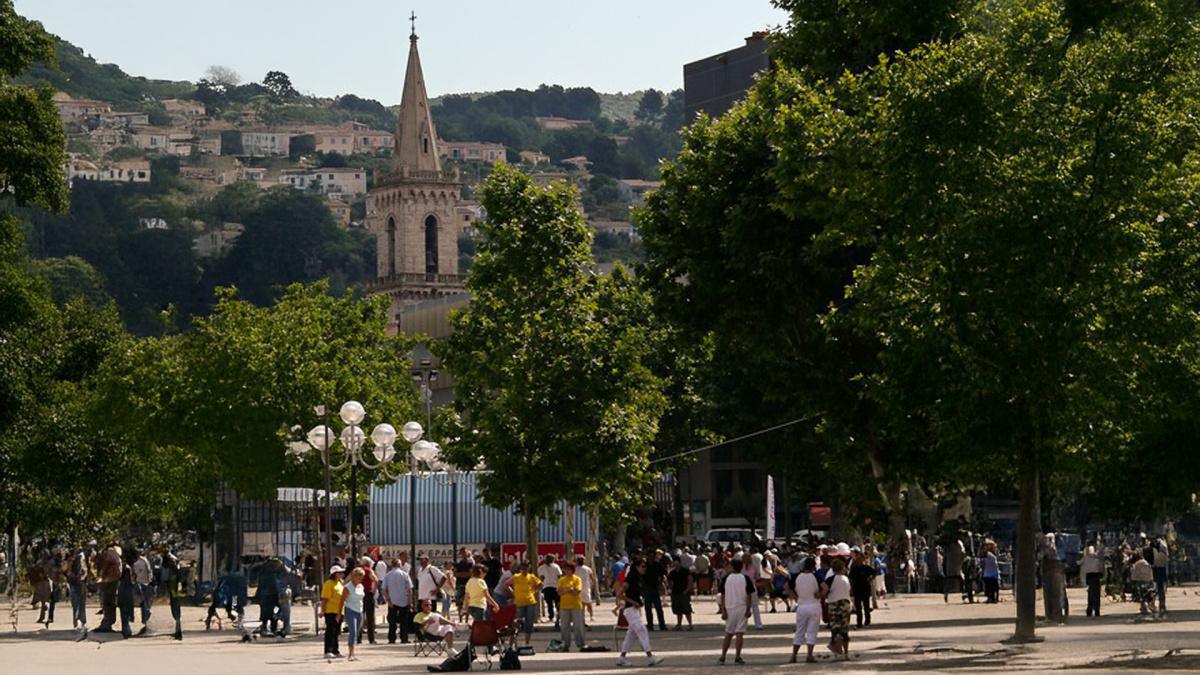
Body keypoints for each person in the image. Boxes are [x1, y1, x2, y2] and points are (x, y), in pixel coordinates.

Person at [616, 556, 664, 667]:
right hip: (630, 609)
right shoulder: (631, 578)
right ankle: (650, 656)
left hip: (634, 610)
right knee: (642, 630)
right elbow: (619, 594)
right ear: (636, 567)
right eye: (642, 566)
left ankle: (622, 658)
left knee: (631, 635)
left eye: (645, 566)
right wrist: (633, 602)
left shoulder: (638, 578)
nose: (645, 568)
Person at [790, 557, 825, 664]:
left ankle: (794, 655)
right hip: (814, 604)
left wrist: (795, 597)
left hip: (802, 605)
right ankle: (809, 655)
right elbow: (825, 587)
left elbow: (787, 587)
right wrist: (820, 595)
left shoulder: (797, 577)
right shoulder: (816, 576)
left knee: (799, 631)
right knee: (812, 631)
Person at [718, 557, 753, 665]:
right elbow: (748, 595)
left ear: (732, 566)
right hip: (742, 607)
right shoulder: (745, 578)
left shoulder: (726, 578)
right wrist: (748, 608)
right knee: (739, 633)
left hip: (729, 607)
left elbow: (722, 595)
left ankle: (723, 655)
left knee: (728, 633)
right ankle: (737, 656)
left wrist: (723, 610)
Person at [506, 561, 542, 645]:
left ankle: (527, 643)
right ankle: (511, 641)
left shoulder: (531, 577)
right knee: (515, 622)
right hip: (519, 602)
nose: (524, 570)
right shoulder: (516, 577)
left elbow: (540, 584)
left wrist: (535, 590)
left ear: (528, 568)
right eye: (522, 569)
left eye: (526, 568)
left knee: (529, 622)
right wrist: (513, 593)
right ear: (520, 569)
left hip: (530, 602)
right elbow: (506, 584)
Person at [92, 542, 122, 634]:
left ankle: (106, 624)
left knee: (107, 602)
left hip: (108, 580)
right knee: (111, 602)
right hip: (114, 579)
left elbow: (104, 567)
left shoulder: (108, 554)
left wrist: (101, 576)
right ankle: (108, 623)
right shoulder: (116, 553)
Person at [382, 558, 414, 644]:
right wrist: (410, 602)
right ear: (399, 565)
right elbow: (409, 590)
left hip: (392, 601)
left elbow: (383, 590)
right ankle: (404, 638)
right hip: (404, 600)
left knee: (392, 622)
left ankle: (392, 638)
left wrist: (388, 600)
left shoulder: (388, 575)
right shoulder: (405, 574)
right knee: (404, 622)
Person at [557, 561, 586, 651]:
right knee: (565, 627)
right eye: (566, 569)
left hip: (576, 606)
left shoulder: (577, 579)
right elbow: (559, 592)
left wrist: (566, 590)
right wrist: (570, 589)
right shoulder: (561, 580)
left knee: (578, 626)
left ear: (573, 570)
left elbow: (577, 591)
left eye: (569, 569)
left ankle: (580, 644)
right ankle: (565, 645)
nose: (567, 571)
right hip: (564, 606)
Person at [827, 558, 852, 659]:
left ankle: (837, 651)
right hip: (845, 604)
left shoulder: (831, 579)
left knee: (835, 629)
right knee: (844, 629)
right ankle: (845, 653)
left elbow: (824, 590)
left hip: (834, 605)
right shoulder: (846, 579)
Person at [340, 567, 366, 662]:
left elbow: (361, 598)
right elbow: (342, 601)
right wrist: (340, 613)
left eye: (361, 577)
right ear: (354, 576)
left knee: (357, 632)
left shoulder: (361, 586)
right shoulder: (348, 587)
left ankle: (353, 653)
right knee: (353, 632)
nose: (360, 579)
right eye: (359, 577)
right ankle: (350, 654)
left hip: (359, 610)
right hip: (350, 610)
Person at [321, 565, 346, 659]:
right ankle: (328, 650)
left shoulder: (340, 583)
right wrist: (322, 611)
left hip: (340, 611)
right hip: (331, 611)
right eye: (339, 573)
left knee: (336, 632)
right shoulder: (329, 583)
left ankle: (335, 650)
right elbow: (325, 598)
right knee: (330, 631)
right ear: (335, 574)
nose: (341, 574)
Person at [161, 548, 186, 640]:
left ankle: (178, 630)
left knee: (175, 605)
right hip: (175, 585)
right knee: (175, 604)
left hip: (173, 585)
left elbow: (169, 573)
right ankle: (177, 628)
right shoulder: (172, 559)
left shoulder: (170, 559)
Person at [848, 548, 875, 628]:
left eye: (860, 558)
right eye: (858, 558)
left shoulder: (866, 568)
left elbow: (874, 573)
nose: (859, 560)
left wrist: (870, 579)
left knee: (866, 606)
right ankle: (859, 622)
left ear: (863, 559)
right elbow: (850, 578)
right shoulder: (854, 568)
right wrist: (851, 588)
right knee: (858, 607)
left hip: (865, 589)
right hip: (857, 589)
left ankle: (867, 621)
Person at [642, 549, 668, 631]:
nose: (651, 558)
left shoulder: (657, 565)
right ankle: (650, 625)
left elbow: (663, 574)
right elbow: (641, 576)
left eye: (652, 556)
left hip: (655, 588)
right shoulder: (644, 565)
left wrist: (660, 582)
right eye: (649, 556)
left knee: (659, 608)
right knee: (648, 608)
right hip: (647, 588)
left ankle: (662, 625)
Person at [667, 556, 693, 630]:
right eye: (674, 561)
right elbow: (670, 582)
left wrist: (687, 590)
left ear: (679, 562)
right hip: (675, 592)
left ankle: (690, 624)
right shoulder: (672, 572)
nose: (675, 563)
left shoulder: (685, 570)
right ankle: (679, 625)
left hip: (684, 592)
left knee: (687, 609)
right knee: (678, 609)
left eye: (676, 561)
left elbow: (690, 580)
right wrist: (671, 590)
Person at [67, 546, 90, 632]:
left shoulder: (72, 559)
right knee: (79, 603)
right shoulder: (80, 559)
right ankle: (79, 621)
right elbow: (84, 571)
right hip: (78, 583)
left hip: (76, 583)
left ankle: (79, 622)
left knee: (77, 603)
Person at [357, 556, 379, 644]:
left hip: (358, 594)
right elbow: (376, 580)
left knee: (359, 616)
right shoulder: (369, 570)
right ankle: (371, 639)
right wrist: (373, 591)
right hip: (367, 594)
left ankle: (358, 638)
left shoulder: (357, 571)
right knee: (370, 617)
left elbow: (348, 580)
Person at [538, 554, 563, 627]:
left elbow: (541, 577)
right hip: (555, 586)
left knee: (549, 604)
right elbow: (559, 576)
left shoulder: (541, 567)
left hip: (547, 587)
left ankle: (551, 616)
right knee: (557, 603)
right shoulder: (556, 566)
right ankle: (558, 616)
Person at [131, 547, 153, 632]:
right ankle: (146, 619)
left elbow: (135, 575)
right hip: (147, 583)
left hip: (140, 583)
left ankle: (145, 619)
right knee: (146, 602)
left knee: (143, 603)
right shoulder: (146, 561)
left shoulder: (137, 563)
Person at [1081, 543, 1103, 617]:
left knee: (1090, 593)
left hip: (1089, 577)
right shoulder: (1097, 559)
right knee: (1096, 594)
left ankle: (1090, 610)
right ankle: (1096, 610)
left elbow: (1078, 563)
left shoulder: (1085, 558)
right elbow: (1101, 568)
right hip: (1096, 577)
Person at [453, 548, 474, 621]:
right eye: (462, 553)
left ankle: (467, 620)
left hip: (468, 585)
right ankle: (460, 619)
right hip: (459, 585)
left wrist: (461, 574)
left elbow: (471, 574)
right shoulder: (458, 564)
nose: (463, 554)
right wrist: (465, 574)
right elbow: (455, 574)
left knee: (467, 603)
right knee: (459, 604)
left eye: (465, 552)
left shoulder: (470, 563)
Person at [575, 554, 597, 622]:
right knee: (581, 604)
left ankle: (591, 616)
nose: (581, 561)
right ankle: (582, 617)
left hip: (586, 588)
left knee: (588, 603)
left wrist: (591, 585)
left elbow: (592, 578)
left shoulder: (587, 569)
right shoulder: (575, 569)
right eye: (580, 560)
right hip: (579, 589)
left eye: (582, 560)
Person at [1151, 537, 1169, 615]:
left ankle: (1157, 604)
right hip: (1160, 571)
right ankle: (1160, 605)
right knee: (1160, 589)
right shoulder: (1163, 553)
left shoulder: (1154, 552)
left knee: (1156, 589)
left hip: (1156, 571)